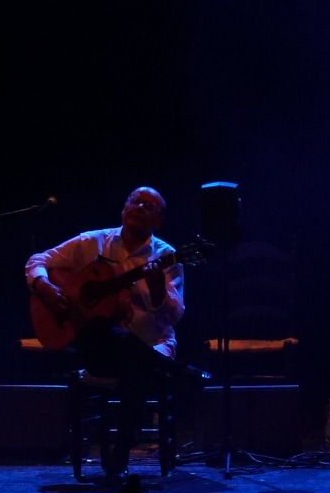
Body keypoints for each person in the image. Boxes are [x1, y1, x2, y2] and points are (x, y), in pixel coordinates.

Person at [25, 186, 202, 477]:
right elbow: (37, 261)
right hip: (102, 349)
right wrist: (43, 286)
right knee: (107, 334)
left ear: (158, 221)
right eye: (136, 201)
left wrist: (158, 291)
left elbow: (174, 317)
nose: (140, 207)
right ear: (123, 209)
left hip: (152, 342)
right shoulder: (92, 242)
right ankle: (177, 376)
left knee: (138, 358)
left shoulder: (167, 256)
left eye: (150, 206)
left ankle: (120, 450)